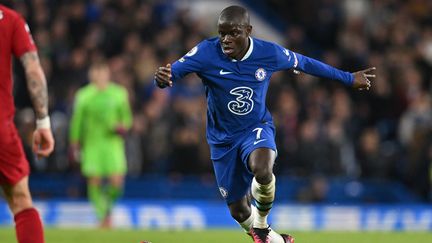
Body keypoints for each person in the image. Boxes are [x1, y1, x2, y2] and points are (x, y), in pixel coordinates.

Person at [154, 5, 375, 243]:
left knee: (262, 166)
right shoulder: (206, 52)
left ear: (248, 30)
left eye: (233, 33)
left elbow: (305, 63)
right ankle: (273, 238)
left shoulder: (268, 53)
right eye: (222, 33)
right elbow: (170, 73)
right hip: (222, 139)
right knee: (238, 210)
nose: (226, 39)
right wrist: (163, 78)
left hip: (255, 128)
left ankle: (261, 225)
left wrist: (349, 77)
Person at [0, 3, 55, 243]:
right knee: (21, 199)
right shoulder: (11, 20)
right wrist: (42, 122)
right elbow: (33, 68)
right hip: (1, 127)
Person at [69, 60, 133, 228]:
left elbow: (126, 118)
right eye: (96, 73)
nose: (99, 76)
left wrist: (122, 127)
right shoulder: (83, 95)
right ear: (91, 76)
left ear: (108, 74)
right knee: (95, 181)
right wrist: (75, 142)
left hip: (113, 144)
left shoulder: (119, 93)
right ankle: (102, 218)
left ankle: (106, 209)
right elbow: (77, 121)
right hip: (92, 144)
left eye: (102, 72)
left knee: (117, 183)